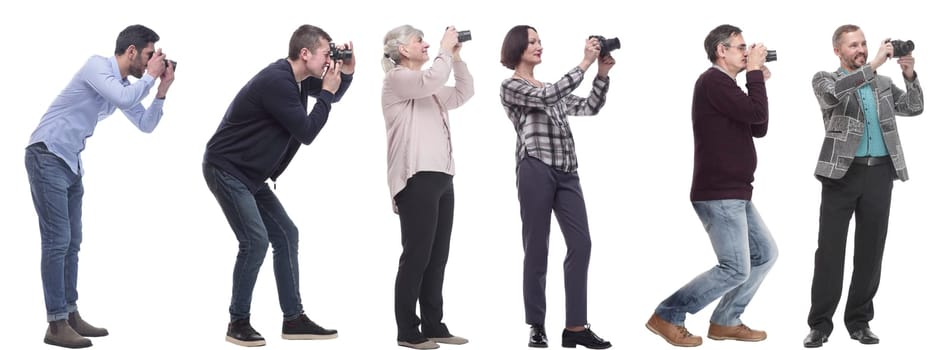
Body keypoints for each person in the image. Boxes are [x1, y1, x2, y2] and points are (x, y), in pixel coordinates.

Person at [24, 24, 175, 349]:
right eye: (149, 55)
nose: (152, 62)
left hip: (70, 163)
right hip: (46, 154)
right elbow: (123, 97)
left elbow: (146, 124)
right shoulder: (97, 66)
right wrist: (149, 78)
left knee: (73, 243)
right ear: (131, 51)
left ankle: (71, 314)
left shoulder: (120, 85)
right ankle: (55, 323)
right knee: (57, 240)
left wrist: (161, 90)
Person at [202, 24, 353, 347]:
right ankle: (237, 322)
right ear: (304, 53)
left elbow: (333, 93)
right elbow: (308, 131)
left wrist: (347, 74)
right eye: (326, 54)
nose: (330, 60)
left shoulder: (296, 80)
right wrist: (326, 92)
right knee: (255, 241)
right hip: (226, 168)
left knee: (287, 234)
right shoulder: (278, 81)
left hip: (250, 175)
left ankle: (293, 319)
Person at [644, 24, 777, 347]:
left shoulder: (727, 86)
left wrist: (755, 79)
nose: (747, 53)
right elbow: (756, 112)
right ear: (722, 50)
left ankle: (725, 321)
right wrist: (755, 74)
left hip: (737, 191)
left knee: (766, 254)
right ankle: (668, 314)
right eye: (741, 47)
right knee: (735, 268)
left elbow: (759, 126)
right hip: (719, 192)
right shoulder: (712, 82)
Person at [803, 24, 924, 348]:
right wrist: (872, 66)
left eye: (863, 43)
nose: (860, 49)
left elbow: (913, 108)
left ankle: (858, 321)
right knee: (830, 252)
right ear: (838, 51)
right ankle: (820, 325)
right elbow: (834, 94)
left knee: (870, 252)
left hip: (880, 174)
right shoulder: (825, 79)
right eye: (853, 45)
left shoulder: (883, 84)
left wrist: (910, 76)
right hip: (841, 175)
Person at [499, 25, 614, 350]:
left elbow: (590, 107)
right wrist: (584, 62)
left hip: (567, 172)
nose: (539, 46)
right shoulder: (512, 86)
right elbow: (547, 97)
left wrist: (601, 73)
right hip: (535, 167)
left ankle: (575, 327)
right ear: (517, 48)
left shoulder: (552, 87)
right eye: (532, 41)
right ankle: (537, 325)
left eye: (539, 41)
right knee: (537, 248)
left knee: (582, 244)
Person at [381, 24, 474, 350]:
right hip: (416, 177)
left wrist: (457, 58)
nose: (427, 44)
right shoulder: (398, 80)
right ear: (402, 49)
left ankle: (434, 325)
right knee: (417, 255)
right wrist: (445, 51)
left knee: (437, 256)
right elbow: (431, 78)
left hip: (442, 178)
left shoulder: (428, 87)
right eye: (419, 40)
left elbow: (464, 92)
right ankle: (408, 330)